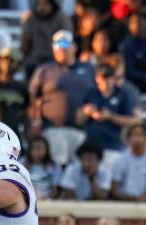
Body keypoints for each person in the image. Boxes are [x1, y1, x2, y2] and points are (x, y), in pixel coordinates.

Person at [28, 29, 96, 164]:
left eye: (65, 44)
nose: (61, 49)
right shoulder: (44, 70)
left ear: (74, 47)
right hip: (53, 128)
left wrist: (89, 109)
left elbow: (96, 94)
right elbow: (33, 98)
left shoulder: (88, 69)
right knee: (57, 168)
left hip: (81, 130)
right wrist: (35, 122)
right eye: (57, 45)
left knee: (77, 171)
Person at [77, 63, 141, 167]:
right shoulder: (91, 93)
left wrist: (111, 116)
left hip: (112, 146)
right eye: (101, 80)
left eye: (107, 79)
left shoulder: (122, 94)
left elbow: (131, 120)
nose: (105, 83)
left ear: (113, 78)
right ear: (97, 79)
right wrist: (86, 112)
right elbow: (79, 119)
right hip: (91, 146)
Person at [20, 0, 73, 76]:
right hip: (34, 60)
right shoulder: (30, 18)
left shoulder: (61, 18)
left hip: (54, 60)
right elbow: (25, 42)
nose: (42, 7)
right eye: (40, 4)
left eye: (45, 4)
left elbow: (68, 39)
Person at [111, 124, 146, 201]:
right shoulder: (121, 160)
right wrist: (130, 199)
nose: (137, 139)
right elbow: (114, 189)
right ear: (128, 139)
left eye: (140, 135)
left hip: (145, 204)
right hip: (123, 202)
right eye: (134, 135)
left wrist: (140, 199)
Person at [120, 11, 146, 93]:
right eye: (132, 23)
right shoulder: (127, 44)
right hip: (136, 85)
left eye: (139, 21)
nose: (136, 25)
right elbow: (129, 70)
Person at [24, 135, 61, 200]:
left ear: (46, 150)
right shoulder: (21, 164)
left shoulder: (54, 166)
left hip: (46, 200)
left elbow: (54, 190)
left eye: (39, 149)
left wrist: (48, 200)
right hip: (25, 199)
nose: (36, 152)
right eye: (34, 148)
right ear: (29, 150)